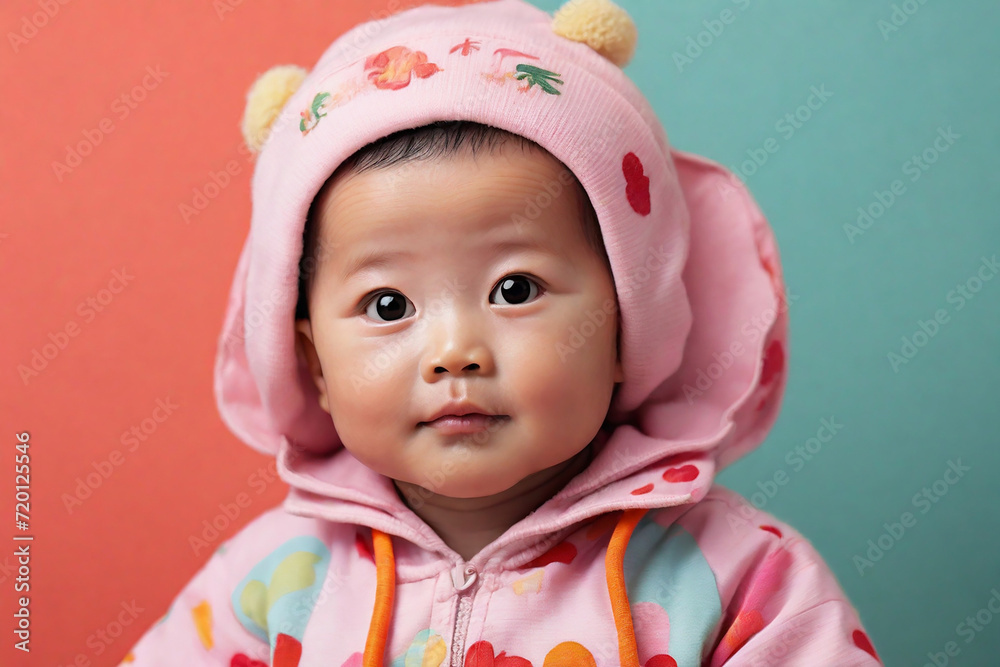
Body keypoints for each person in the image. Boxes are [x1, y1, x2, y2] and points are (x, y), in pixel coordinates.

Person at [123, 1, 882, 665]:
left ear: (627, 325)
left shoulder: (741, 580)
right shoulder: (266, 583)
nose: (456, 351)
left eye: (514, 289)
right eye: (388, 305)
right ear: (309, 358)